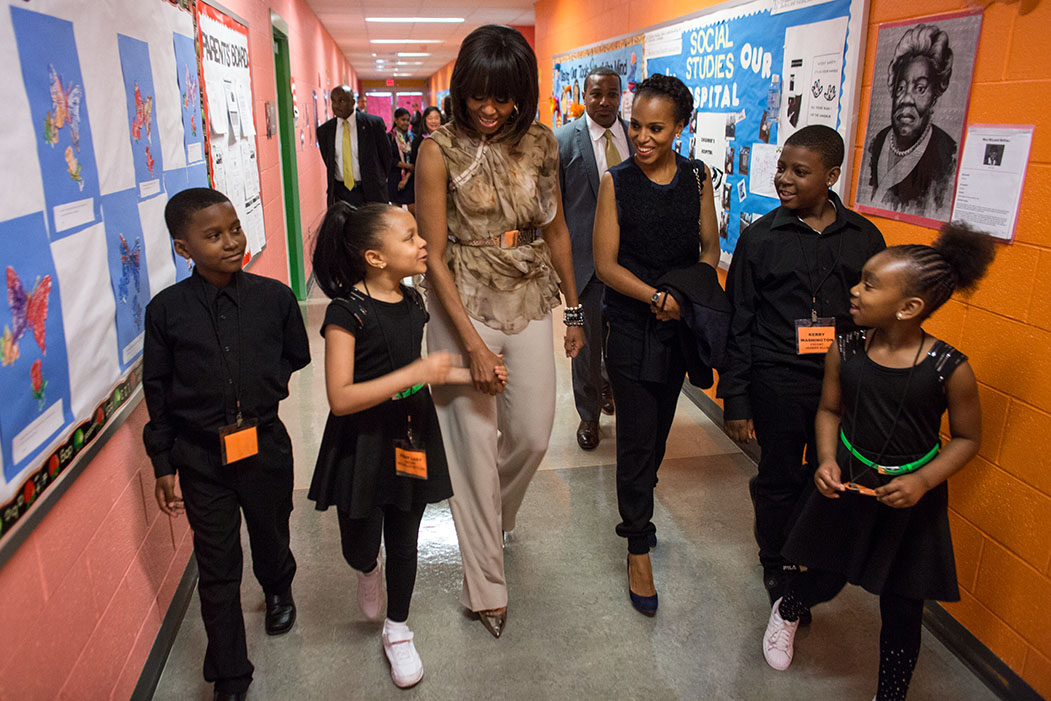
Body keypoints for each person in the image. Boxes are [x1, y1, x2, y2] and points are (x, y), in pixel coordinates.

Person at [762, 223, 995, 701]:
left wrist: (923, 481)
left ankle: (890, 694)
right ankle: (788, 607)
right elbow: (830, 410)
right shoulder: (844, 348)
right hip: (847, 485)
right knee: (825, 575)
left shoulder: (949, 368)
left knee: (904, 607)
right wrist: (826, 458)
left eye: (870, 284)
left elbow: (967, 439)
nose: (854, 289)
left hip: (912, 502)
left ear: (909, 307)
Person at [415, 24, 585, 638]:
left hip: (531, 290)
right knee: (471, 450)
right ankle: (485, 584)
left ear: (522, 95)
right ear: (462, 90)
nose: (489, 109)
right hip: (462, 297)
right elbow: (432, 255)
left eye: (503, 97)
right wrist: (472, 345)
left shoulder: (540, 143)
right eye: (478, 96)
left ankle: (496, 517)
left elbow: (558, 229)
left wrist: (574, 309)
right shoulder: (438, 149)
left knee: (534, 435)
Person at [308, 202, 504, 688]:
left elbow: (420, 376)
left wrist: (471, 374)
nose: (423, 245)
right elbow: (341, 398)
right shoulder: (345, 313)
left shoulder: (414, 302)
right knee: (358, 540)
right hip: (361, 441)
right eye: (411, 237)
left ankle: (398, 629)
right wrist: (415, 373)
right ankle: (365, 567)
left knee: (405, 536)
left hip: (410, 435)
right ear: (375, 258)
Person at [143, 188, 310, 701]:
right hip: (199, 457)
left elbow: (295, 355)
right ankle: (231, 675)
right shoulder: (166, 311)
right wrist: (163, 462)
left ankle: (278, 586)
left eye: (234, 228)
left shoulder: (274, 297)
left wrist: (262, 391)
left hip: (263, 443)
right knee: (216, 565)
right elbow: (158, 390)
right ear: (183, 247)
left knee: (269, 528)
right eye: (213, 236)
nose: (231, 242)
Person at [717, 125, 886, 613]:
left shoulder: (863, 237)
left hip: (841, 384)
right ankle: (779, 561)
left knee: (830, 473)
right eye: (781, 168)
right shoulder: (762, 238)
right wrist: (738, 399)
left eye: (800, 171)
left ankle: (818, 555)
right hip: (778, 380)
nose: (784, 179)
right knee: (780, 476)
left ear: (831, 175)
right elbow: (739, 323)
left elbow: (876, 316)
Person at [593, 74, 720, 615]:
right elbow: (604, 264)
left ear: (680, 127)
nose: (642, 138)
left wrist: (683, 298)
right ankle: (637, 542)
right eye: (636, 126)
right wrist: (655, 297)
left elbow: (710, 250)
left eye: (656, 129)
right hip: (630, 323)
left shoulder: (696, 178)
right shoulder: (615, 182)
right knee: (637, 437)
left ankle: (640, 507)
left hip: (679, 325)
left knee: (659, 431)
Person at [556, 66, 632, 450]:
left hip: (630, 262)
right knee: (583, 345)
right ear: (583, 96)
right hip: (585, 264)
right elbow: (555, 208)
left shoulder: (636, 137)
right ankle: (588, 416)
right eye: (596, 94)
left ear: (621, 96)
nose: (605, 102)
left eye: (612, 94)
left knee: (623, 340)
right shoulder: (565, 140)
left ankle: (611, 386)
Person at [863, 24, 957, 221]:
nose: (907, 98)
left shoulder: (946, 156)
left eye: (920, 88)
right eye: (901, 88)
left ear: (935, 95)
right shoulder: (877, 143)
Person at [318, 85, 393, 206]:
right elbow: (329, 161)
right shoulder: (325, 131)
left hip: (371, 192)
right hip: (341, 194)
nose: (336, 105)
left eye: (341, 101)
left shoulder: (373, 124)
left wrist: (378, 179)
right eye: (333, 101)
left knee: (371, 225)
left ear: (352, 102)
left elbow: (387, 157)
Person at [406, 107, 443, 215]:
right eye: (430, 118)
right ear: (425, 120)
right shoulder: (418, 140)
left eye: (436, 118)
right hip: (424, 183)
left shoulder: (447, 138)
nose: (434, 121)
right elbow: (414, 162)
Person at [388, 107, 415, 207]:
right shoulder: (389, 138)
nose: (406, 123)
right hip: (395, 178)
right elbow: (389, 159)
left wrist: (406, 179)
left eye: (408, 120)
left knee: (413, 212)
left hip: (411, 178)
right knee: (396, 213)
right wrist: (407, 166)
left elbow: (415, 161)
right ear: (396, 120)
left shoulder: (413, 138)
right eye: (403, 120)